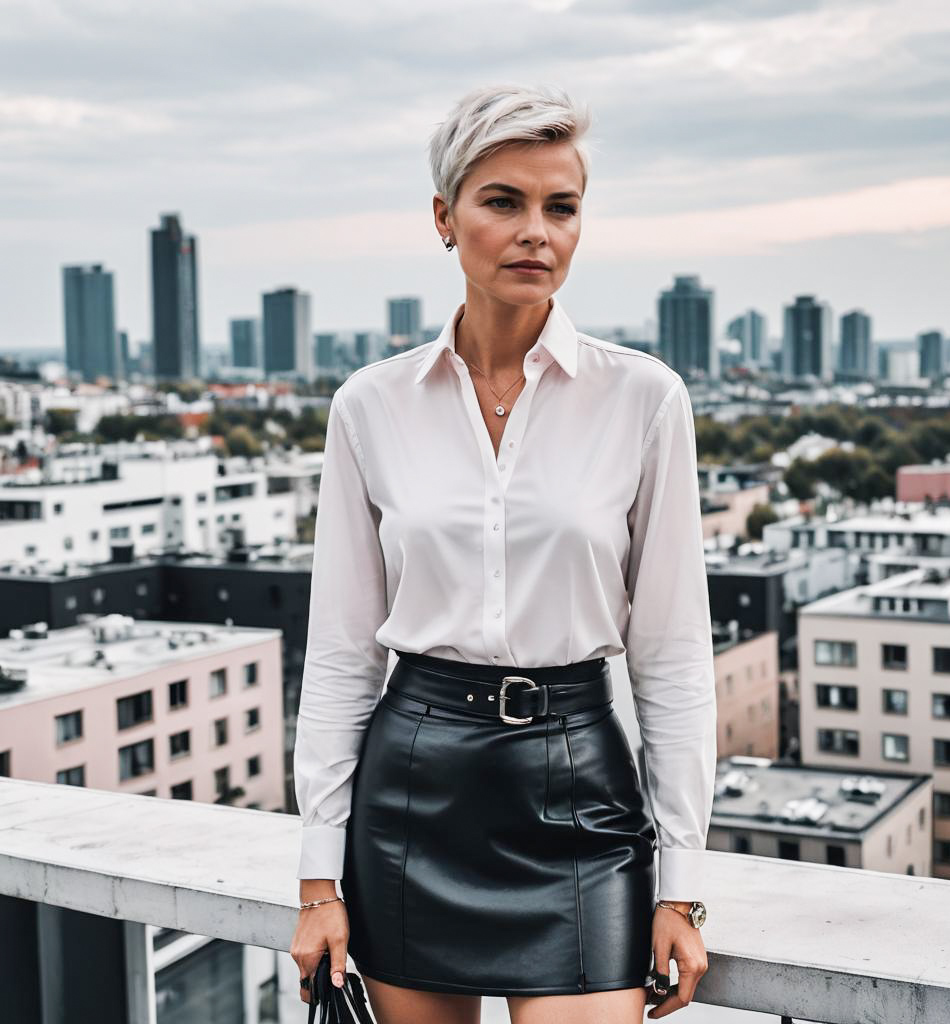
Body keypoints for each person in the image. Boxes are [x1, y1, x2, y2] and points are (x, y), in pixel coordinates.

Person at [289, 82, 717, 1024]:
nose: (537, 231)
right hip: (414, 793)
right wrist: (321, 880)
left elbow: (674, 656)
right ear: (444, 219)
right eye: (503, 202)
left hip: (581, 794)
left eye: (561, 207)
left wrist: (680, 885)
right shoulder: (371, 404)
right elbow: (341, 654)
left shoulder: (644, 399)